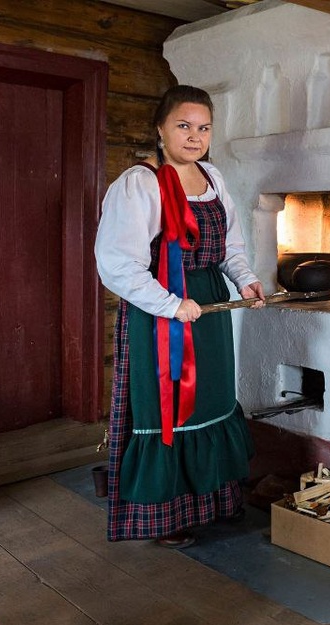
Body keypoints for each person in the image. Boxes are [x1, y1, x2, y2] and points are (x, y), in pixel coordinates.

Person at [95, 84, 263, 548]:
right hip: (160, 313)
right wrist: (171, 305)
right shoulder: (140, 183)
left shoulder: (212, 178)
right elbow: (118, 264)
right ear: (160, 129)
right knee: (168, 407)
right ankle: (166, 516)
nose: (194, 137)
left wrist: (245, 280)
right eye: (183, 126)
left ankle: (216, 502)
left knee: (212, 401)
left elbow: (230, 246)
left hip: (209, 308)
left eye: (204, 128)